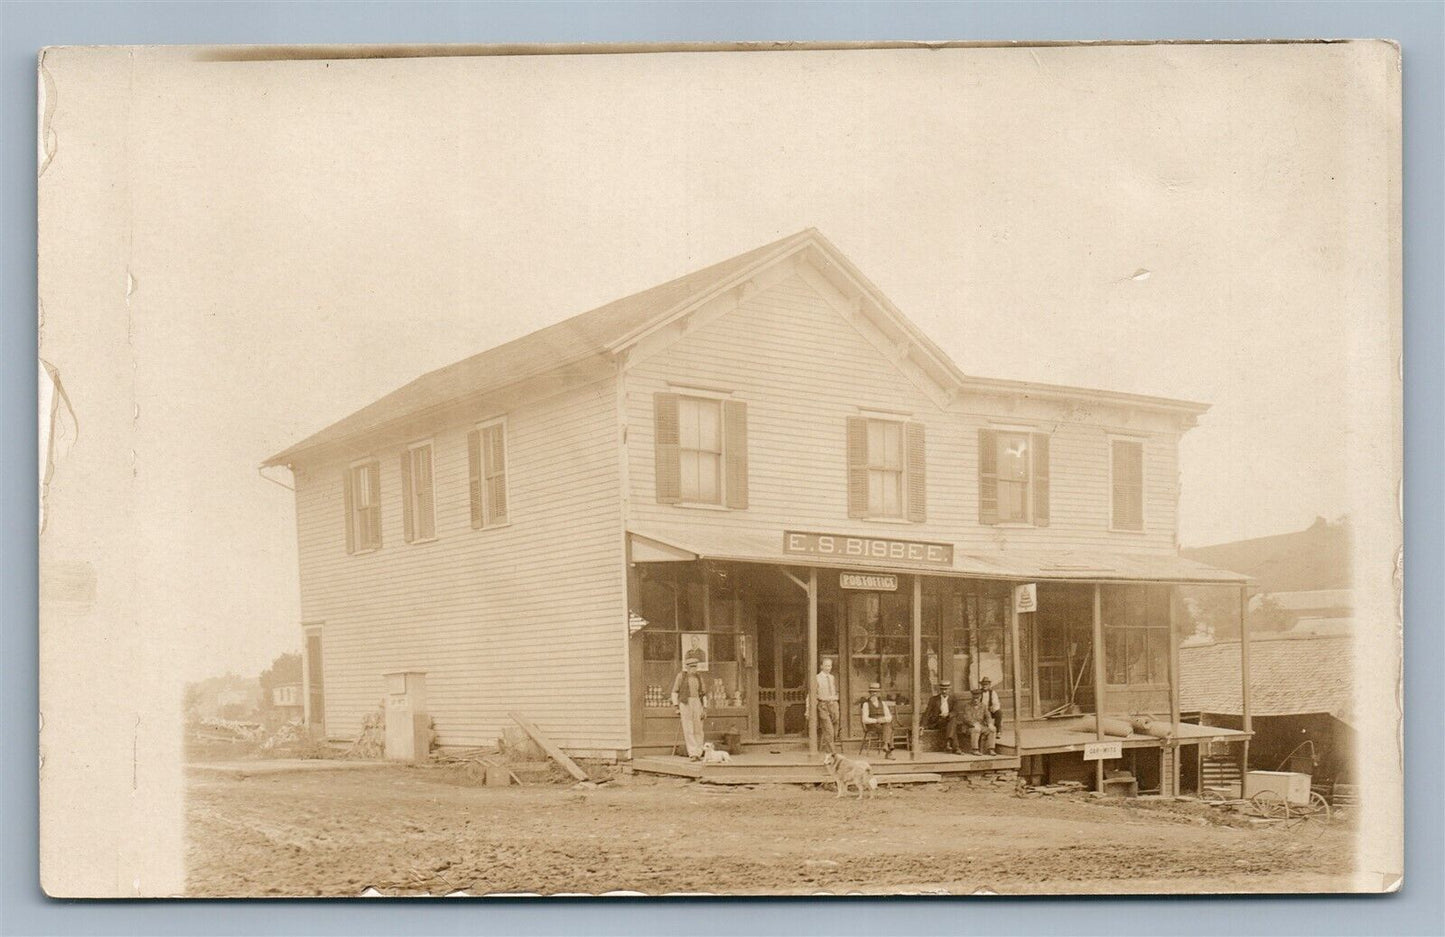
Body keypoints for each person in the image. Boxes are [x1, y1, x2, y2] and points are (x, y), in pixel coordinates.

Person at [670, 654, 709, 760]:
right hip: (685, 703)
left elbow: (703, 694)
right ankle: (693, 753)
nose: (694, 669)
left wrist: (704, 708)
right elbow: (674, 692)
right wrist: (676, 706)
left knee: (698, 728)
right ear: (687, 667)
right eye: (691, 667)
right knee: (688, 728)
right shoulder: (681, 676)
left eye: (695, 667)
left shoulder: (699, 677)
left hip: (697, 703)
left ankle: (699, 752)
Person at [922, 680, 963, 753]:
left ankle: (949, 743)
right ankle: (955, 746)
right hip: (938, 721)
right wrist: (922, 725)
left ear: (949, 689)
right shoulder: (933, 699)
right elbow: (927, 712)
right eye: (942, 689)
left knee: (952, 721)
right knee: (952, 724)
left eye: (946, 689)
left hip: (948, 719)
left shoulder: (953, 699)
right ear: (939, 689)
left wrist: (948, 715)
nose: (944, 691)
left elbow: (956, 711)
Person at [813, 657, 841, 755]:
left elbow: (833, 690)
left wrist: (834, 699)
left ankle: (829, 746)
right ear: (821, 666)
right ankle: (832, 753)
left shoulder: (832, 677)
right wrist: (823, 698)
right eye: (826, 665)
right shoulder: (817, 678)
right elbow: (814, 693)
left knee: (835, 726)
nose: (828, 668)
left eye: (830, 666)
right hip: (823, 705)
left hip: (833, 704)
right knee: (828, 729)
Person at [860, 683, 896, 758]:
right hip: (872, 725)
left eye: (876, 692)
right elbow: (865, 720)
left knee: (888, 725)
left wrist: (883, 719)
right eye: (872, 692)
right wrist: (876, 721)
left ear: (878, 693)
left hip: (882, 725)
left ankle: (886, 745)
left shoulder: (883, 703)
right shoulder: (866, 704)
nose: (874, 694)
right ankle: (888, 751)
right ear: (870, 693)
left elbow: (889, 717)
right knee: (890, 728)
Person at [961, 687, 998, 755]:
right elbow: (967, 718)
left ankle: (991, 749)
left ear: (980, 697)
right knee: (976, 729)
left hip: (981, 726)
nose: (975, 700)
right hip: (969, 727)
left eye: (977, 698)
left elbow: (988, 716)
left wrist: (990, 724)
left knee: (992, 729)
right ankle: (975, 749)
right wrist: (974, 724)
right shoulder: (967, 706)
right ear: (972, 697)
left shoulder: (983, 706)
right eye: (974, 698)